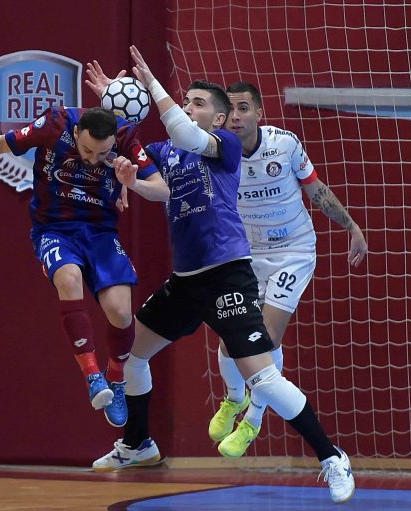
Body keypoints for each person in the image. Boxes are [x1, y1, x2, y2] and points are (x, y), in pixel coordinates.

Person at [87, 47, 355, 504]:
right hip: (187, 280)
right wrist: (116, 117)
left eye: (198, 103)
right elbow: (153, 183)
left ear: (220, 118)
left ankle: (332, 457)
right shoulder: (167, 152)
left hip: (228, 276)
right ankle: (137, 444)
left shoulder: (224, 146)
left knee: (263, 378)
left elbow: (183, 131)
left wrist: (150, 83)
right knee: (132, 355)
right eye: (185, 101)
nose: (188, 107)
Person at [0, 106, 170, 428]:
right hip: (55, 229)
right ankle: (92, 375)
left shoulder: (126, 137)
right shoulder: (55, 124)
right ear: (76, 133)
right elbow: (1, 143)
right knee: (68, 278)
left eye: (102, 153)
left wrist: (133, 182)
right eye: (87, 150)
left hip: (101, 233)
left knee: (121, 313)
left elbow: (162, 189)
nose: (94, 159)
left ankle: (115, 379)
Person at [209, 82, 368, 459]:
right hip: (247, 254)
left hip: (292, 252)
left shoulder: (285, 144)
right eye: (230, 110)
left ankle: (252, 420)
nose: (236, 117)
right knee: (231, 338)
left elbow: (316, 190)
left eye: (244, 108)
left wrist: (351, 226)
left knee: (264, 338)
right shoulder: (216, 152)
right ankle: (233, 398)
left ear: (259, 113)